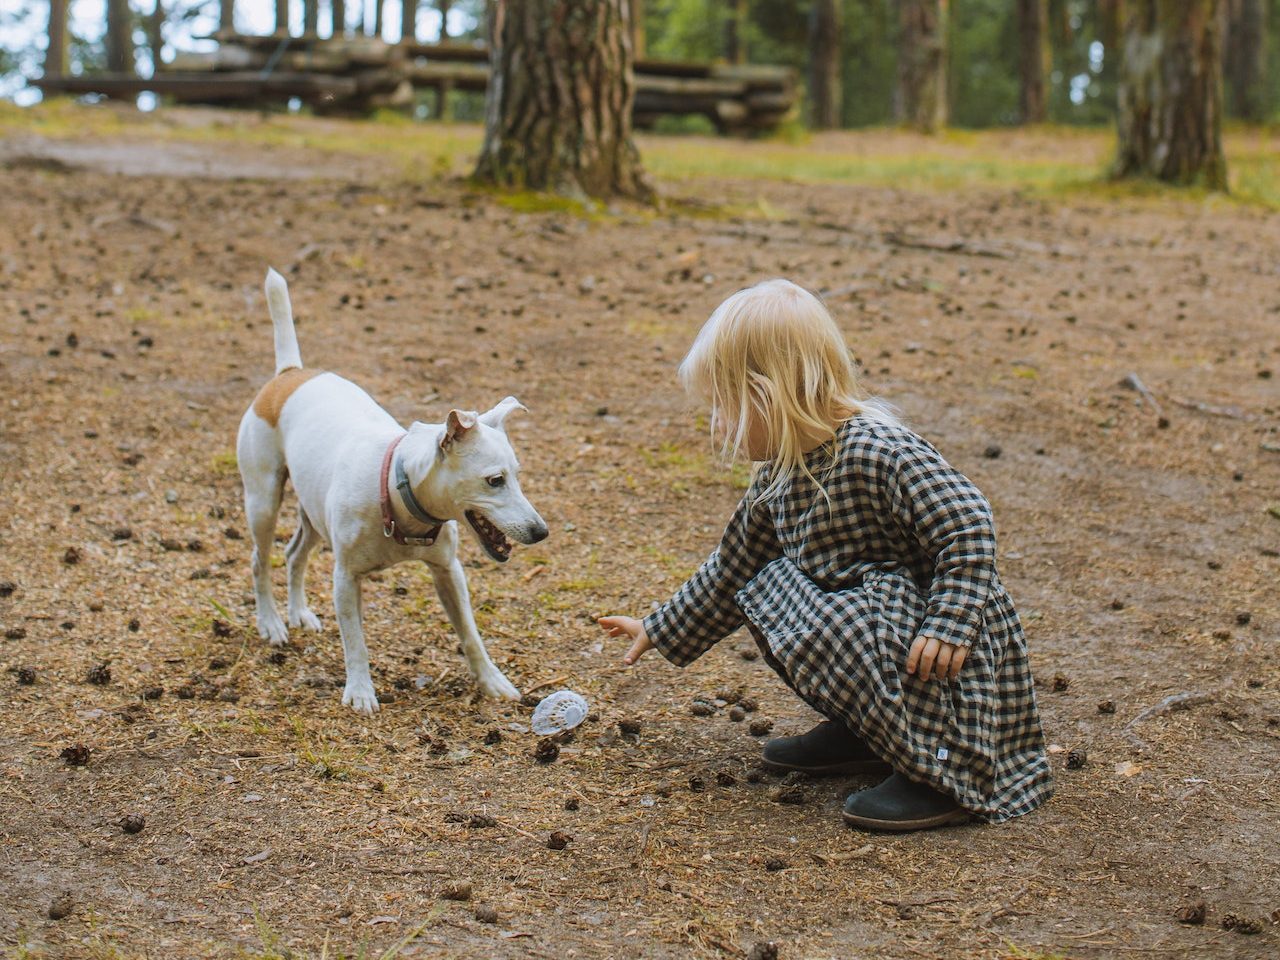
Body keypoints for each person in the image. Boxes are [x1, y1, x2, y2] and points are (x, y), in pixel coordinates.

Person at [599, 279, 1052, 831]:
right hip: (884, 632)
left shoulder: (878, 449)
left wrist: (951, 622)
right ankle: (869, 732)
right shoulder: (784, 471)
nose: (716, 424)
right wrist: (661, 626)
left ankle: (943, 772)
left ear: (770, 392)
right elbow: (734, 564)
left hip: (944, 655)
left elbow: (967, 525)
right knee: (769, 585)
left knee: (824, 615)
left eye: (724, 404)